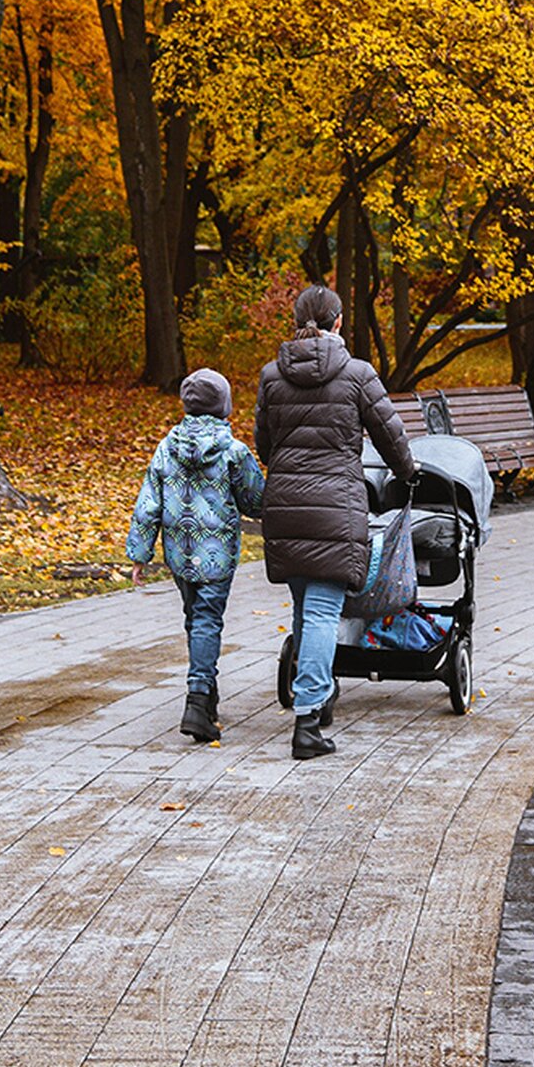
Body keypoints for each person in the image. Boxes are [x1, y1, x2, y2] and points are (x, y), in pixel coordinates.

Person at [255, 284, 416, 760]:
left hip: (285, 503)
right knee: (324, 611)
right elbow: (391, 435)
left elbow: (266, 445)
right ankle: (308, 720)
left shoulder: (271, 376)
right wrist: (408, 474)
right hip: (335, 505)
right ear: (340, 321)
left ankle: (319, 699)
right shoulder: (357, 374)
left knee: (306, 608)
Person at [127, 368, 265, 744]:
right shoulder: (233, 451)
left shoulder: (166, 447)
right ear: (224, 406)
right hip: (216, 553)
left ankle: (208, 696)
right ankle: (198, 699)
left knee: (195, 617)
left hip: (179, 551)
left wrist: (140, 554)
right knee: (207, 620)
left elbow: (148, 504)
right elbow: (255, 500)